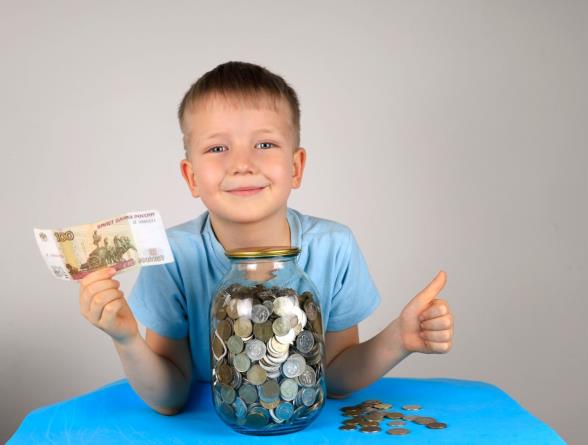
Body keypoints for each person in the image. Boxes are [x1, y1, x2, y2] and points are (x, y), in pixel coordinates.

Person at [78, 61, 454, 416]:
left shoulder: (334, 247)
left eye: (264, 144)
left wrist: (398, 340)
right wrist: (126, 339)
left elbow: (335, 379)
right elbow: (170, 399)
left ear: (296, 167)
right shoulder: (172, 256)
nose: (242, 164)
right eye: (218, 148)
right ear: (191, 177)